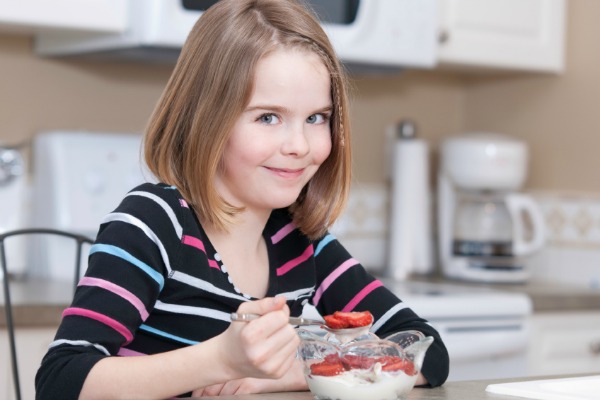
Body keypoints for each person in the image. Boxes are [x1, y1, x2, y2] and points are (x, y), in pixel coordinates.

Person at [35, 0, 449, 398]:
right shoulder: (154, 223)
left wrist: (291, 373)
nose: (299, 145)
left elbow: (428, 352)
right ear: (207, 119)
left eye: (316, 118)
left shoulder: (301, 240)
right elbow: (60, 380)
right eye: (268, 117)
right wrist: (221, 359)